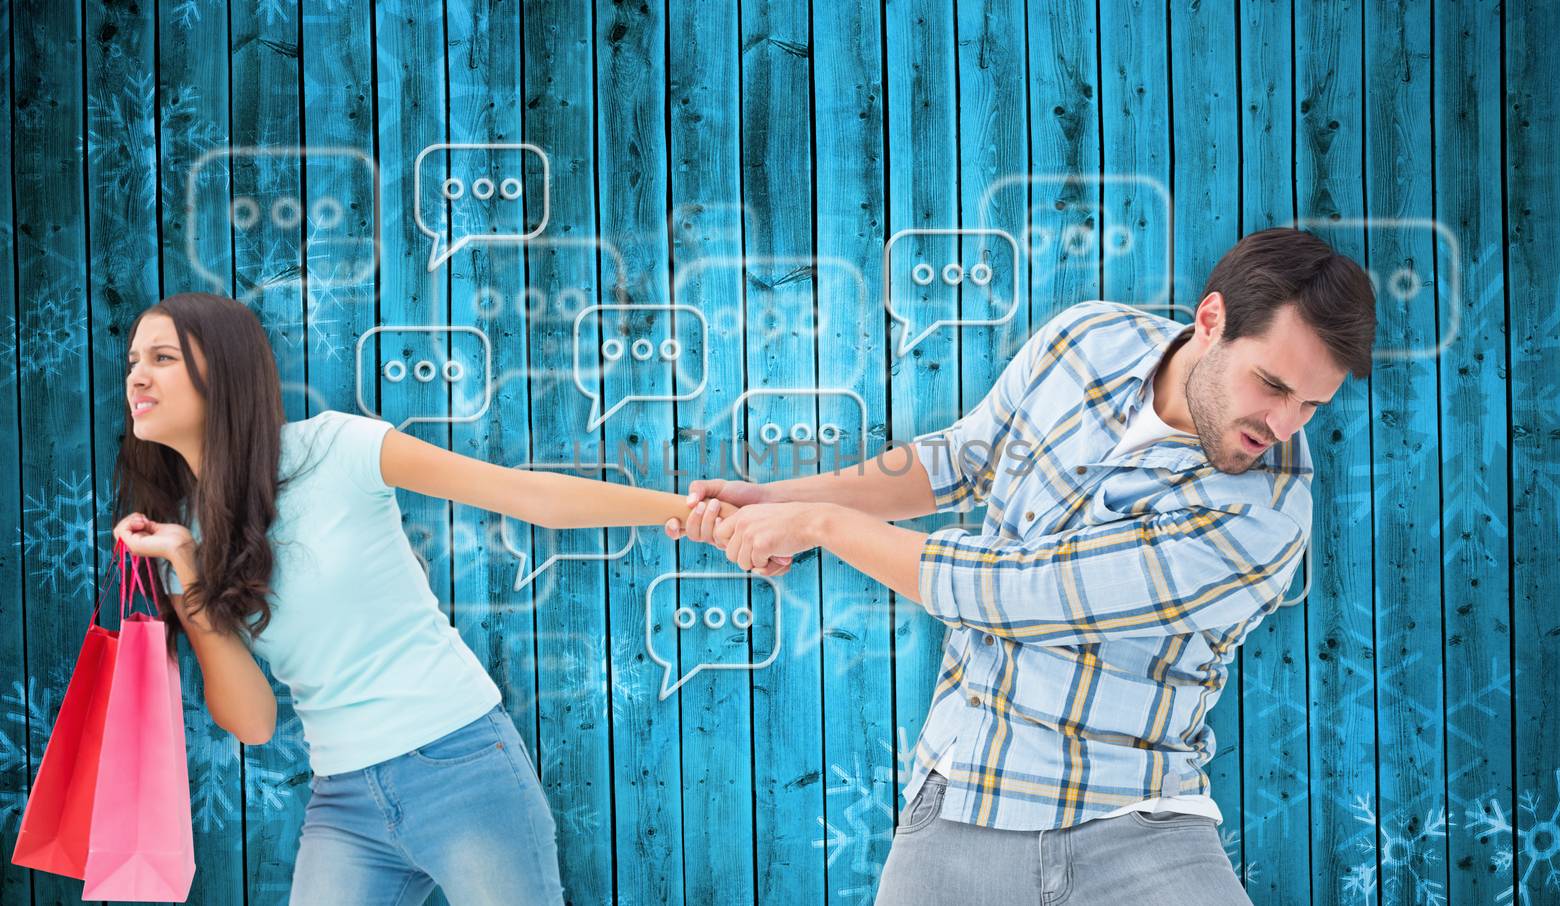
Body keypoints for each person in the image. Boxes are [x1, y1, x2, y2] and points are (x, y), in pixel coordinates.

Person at [667, 228, 1376, 904]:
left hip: (1141, 826)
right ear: (1212, 320)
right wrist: (779, 498)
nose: (1283, 426)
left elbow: (1017, 591)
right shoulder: (1090, 339)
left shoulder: (1264, 515)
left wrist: (819, 524)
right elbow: (960, 458)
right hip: (963, 805)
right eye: (1274, 386)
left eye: (1312, 405)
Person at [111, 292, 765, 905]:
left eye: (162, 358)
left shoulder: (336, 448)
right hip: (341, 801)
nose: (137, 376)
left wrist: (692, 510)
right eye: (134, 360)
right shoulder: (182, 541)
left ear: (224, 373)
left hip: (459, 767)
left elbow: (525, 496)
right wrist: (188, 573)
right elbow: (252, 721)